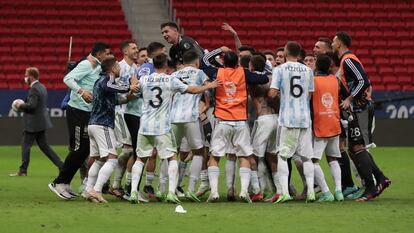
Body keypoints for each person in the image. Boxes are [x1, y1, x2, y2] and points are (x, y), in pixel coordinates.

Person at [129, 53, 218, 204]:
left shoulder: (146, 79)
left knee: (142, 158)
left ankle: (143, 191)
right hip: (172, 122)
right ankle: (179, 190)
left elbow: (133, 91)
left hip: (152, 123)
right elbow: (193, 90)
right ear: (166, 65)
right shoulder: (173, 79)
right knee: (180, 155)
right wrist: (209, 86)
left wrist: (132, 85)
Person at [200, 47, 269, 203]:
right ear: (237, 62)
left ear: (223, 62)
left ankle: (215, 192)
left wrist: (219, 50)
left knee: (215, 156)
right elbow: (264, 78)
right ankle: (244, 191)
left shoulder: (217, 73)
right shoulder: (243, 73)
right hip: (239, 121)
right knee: (244, 155)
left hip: (222, 120)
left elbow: (204, 61)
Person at [48, 42, 112, 200]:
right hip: (77, 111)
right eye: (107, 53)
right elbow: (68, 78)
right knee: (78, 149)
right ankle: (59, 182)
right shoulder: (87, 64)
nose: (109, 56)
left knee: (84, 150)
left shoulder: (95, 65)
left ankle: (65, 183)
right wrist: (81, 91)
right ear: (98, 55)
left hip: (86, 113)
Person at [332, 32, 391, 201]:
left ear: (340, 44)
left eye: (334, 40)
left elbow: (363, 80)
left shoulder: (348, 59)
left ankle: (371, 187)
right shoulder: (346, 60)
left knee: (357, 147)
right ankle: (380, 179)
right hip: (358, 109)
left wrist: (349, 99)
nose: (332, 42)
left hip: (360, 108)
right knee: (354, 148)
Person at [81, 57, 139, 203]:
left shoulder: (100, 81)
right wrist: (129, 87)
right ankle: (97, 190)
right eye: (118, 66)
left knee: (99, 160)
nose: (120, 69)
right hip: (103, 125)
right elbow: (111, 87)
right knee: (112, 158)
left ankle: (88, 190)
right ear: (113, 69)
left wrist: (128, 98)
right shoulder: (106, 79)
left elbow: (113, 100)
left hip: (93, 124)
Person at [268, 41, 315, 203]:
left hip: (288, 118)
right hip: (304, 119)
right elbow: (309, 95)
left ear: (287, 52)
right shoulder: (308, 71)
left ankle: (285, 193)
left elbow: (273, 93)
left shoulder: (279, 69)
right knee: (307, 157)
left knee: (282, 155)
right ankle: (311, 192)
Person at [123, 41, 166, 201]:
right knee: (139, 153)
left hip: (137, 113)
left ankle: (129, 188)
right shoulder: (150, 69)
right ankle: (129, 190)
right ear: (156, 53)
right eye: (163, 51)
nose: (165, 53)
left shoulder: (144, 68)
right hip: (137, 113)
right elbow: (137, 90)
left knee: (139, 152)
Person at [170, 50, 211, 202]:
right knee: (199, 152)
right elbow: (208, 90)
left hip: (173, 117)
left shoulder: (174, 74)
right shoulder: (200, 73)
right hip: (191, 116)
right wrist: (206, 105)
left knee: (171, 152)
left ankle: (167, 189)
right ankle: (191, 189)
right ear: (197, 61)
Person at [10, 67, 63, 177]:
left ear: (31, 76)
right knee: (44, 146)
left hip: (33, 124)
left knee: (26, 146)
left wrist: (20, 105)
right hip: (41, 122)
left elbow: (32, 106)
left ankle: (23, 171)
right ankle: (62, 166)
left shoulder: (34, 89)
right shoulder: (42, 87)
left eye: (26, 75)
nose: (25, 78)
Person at [311, 54, 344, 202]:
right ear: (330, 67)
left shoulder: (313, 81)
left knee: (313, 161)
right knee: (333, 158)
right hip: (334, 123)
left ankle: (326, 192)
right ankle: (339, 191)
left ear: (316, 66)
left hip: (320, 125)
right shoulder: (335, 80)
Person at [109, 40, 139, 198]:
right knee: (127, 149)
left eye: (137, 48)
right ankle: (111, 184)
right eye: (133, 48)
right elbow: (114, 90)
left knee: (129, 150)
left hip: (131, 111)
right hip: (120, 111)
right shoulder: (119, 67)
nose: (136, 50)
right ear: (125, 52)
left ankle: (115, 184)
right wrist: (128, 95)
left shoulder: (135, 68)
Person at [248, 55, 280, 202]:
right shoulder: (272, 78)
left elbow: (256, 103)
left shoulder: (254, 82)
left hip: (264, 119)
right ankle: (279, 190)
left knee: (253, 156)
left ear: (252, 66)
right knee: (272, 155)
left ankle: (257, 190)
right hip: (276, 118)